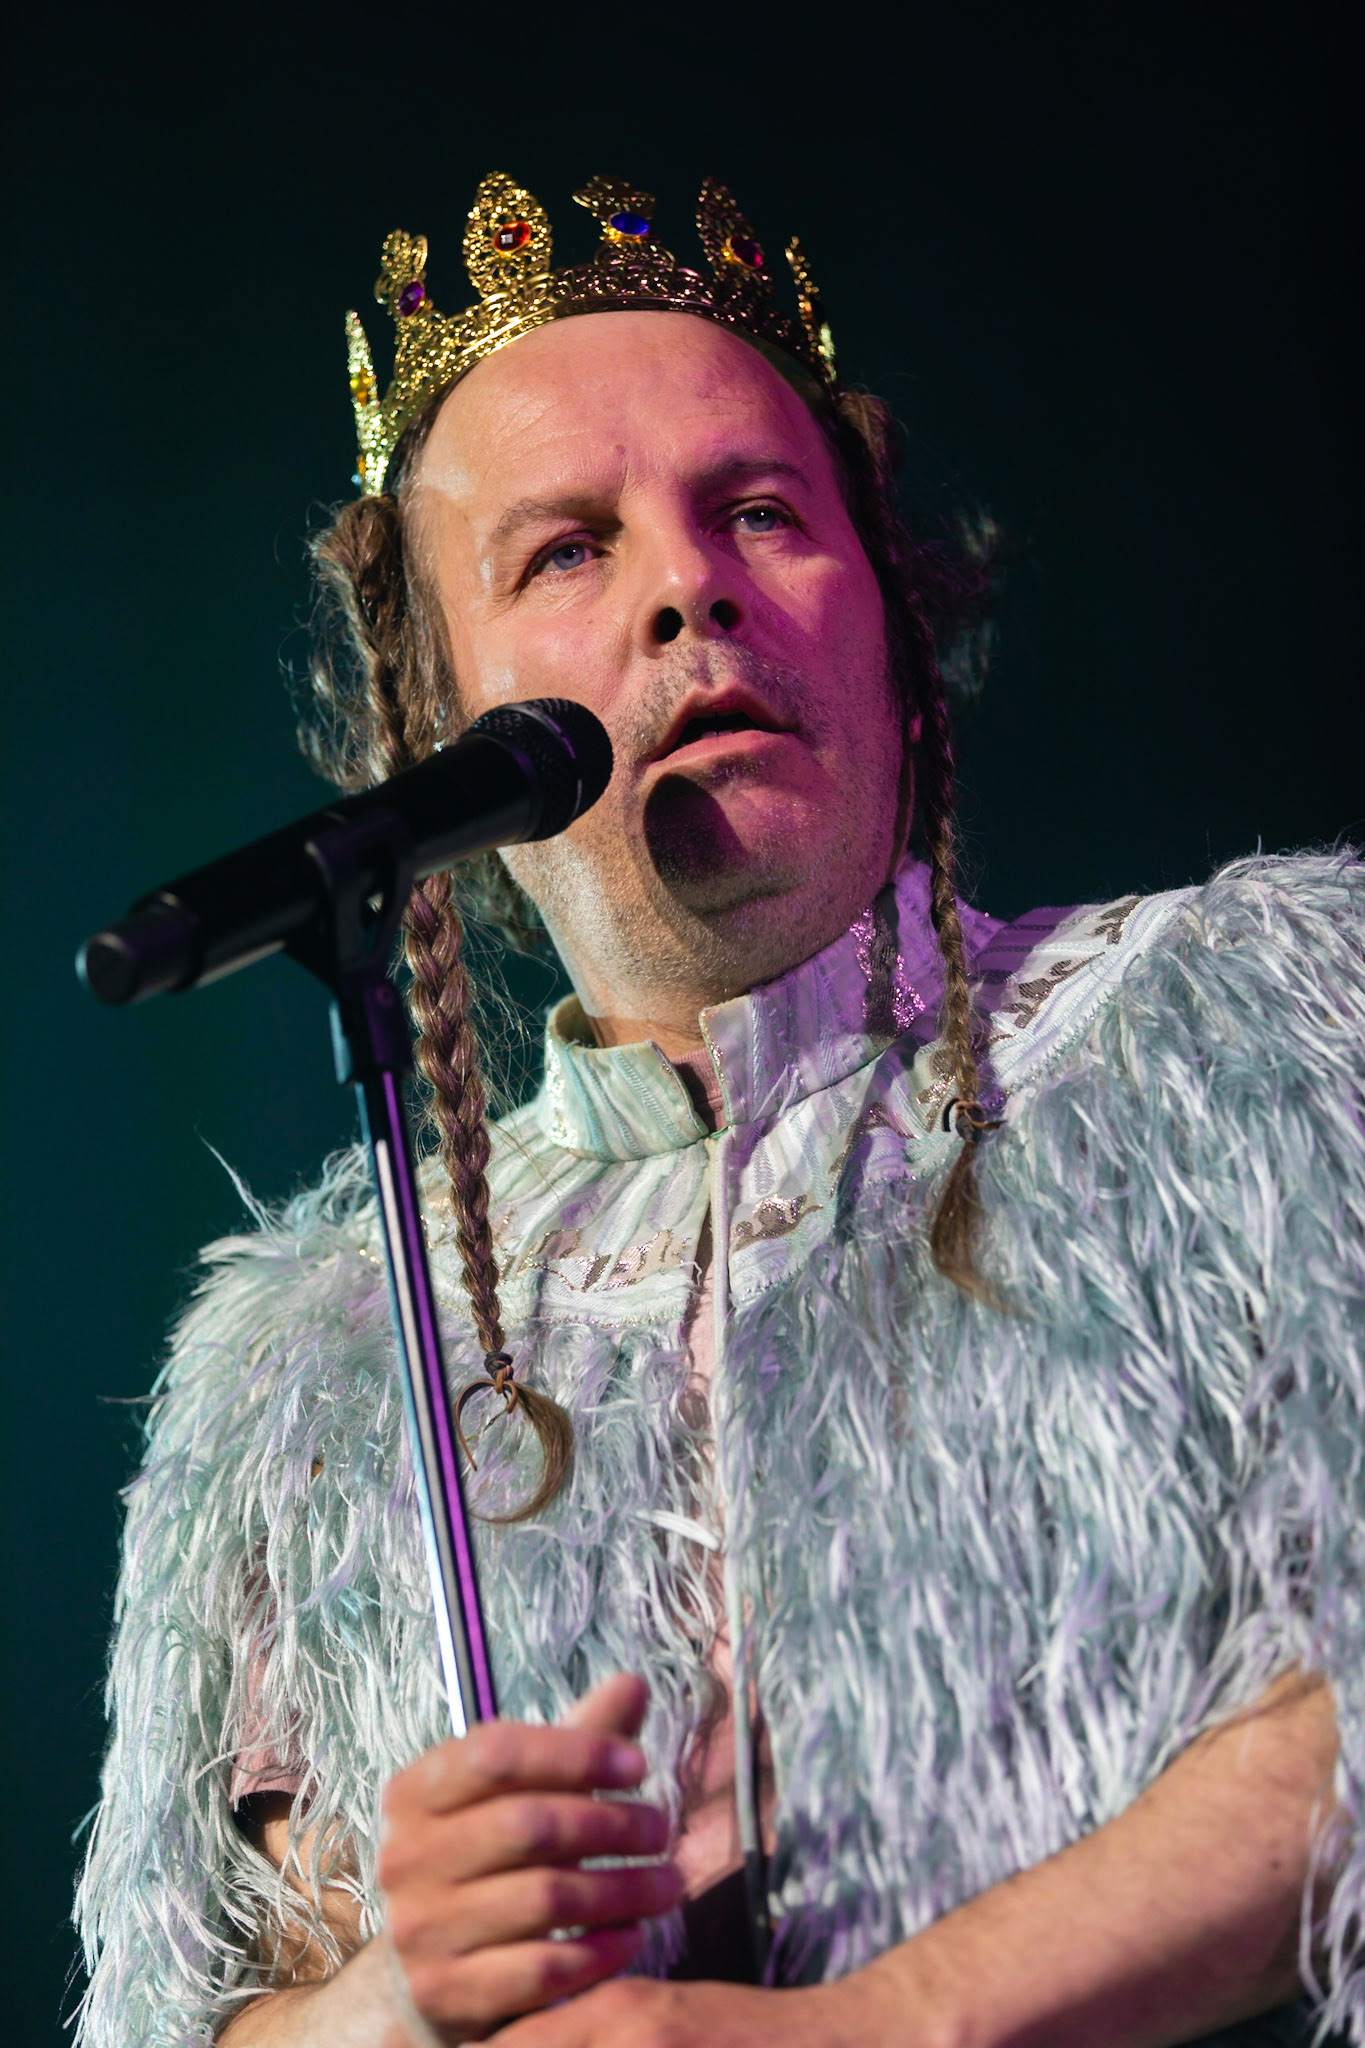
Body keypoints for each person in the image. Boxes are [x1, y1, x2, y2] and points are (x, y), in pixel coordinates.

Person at [75, 173, 1364, 2048]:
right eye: (563, 552)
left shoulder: (1259, 1033)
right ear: (434, 715)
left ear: (898, 648)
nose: (689, 584)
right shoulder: (312, 1364)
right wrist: (394, 1995)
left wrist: (876, 2028)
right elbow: (219, 2010)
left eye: (758, 510)